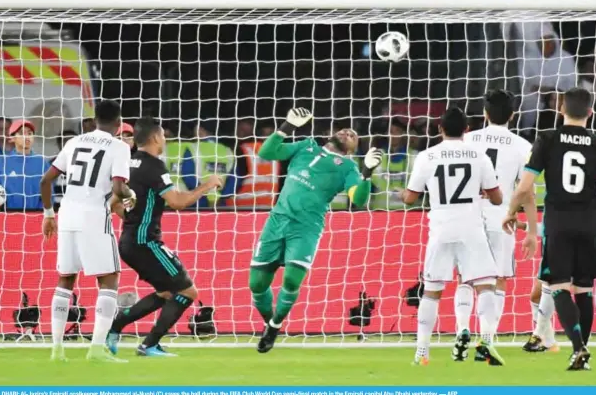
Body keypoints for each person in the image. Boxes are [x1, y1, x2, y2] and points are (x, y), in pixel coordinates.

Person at [503, 87, 596, 371]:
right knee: (584, 289)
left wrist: (511, 213)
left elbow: (524, 187)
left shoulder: (547, 139)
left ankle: (578, 347)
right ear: (591, 113)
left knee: (558, 287)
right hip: (588, 222)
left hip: (558, 223)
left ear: (561, 109)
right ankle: (583, 350)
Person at [250, 108, 382, 353]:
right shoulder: (306, 146)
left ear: (353, 149)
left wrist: (366, 173)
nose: (347, 132)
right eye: (344, 130)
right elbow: (267, 152)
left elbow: (359, 200)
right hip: (277, 220)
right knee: (256, 283)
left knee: (291, 278)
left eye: (353, 135)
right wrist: (287, 125)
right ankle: (270, 323)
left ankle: (276, 324)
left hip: (306, 228)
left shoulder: (348, 169)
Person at [105, 117, 223, 357]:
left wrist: (131, 220)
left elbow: (113, 202)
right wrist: (207, 185)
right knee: (187, 292)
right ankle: (149, 345)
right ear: (156, 137)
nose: (165, 140)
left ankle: (115, 328)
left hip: (129, 241)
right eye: (164, 136)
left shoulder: (129, 164)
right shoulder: (154, 166)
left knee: (167, 293)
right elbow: (177, 202)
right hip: (146, 242)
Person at [401, 107, 507, 366]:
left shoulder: (427, 156)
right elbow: (497, 198)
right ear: (467, 130)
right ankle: (486, 341)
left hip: (440, 227)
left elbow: (409, 198)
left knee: (432, 291)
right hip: (471, 228)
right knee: (485, 285)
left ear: (440, 129)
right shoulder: (479, 155)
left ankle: (422, 353)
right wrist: (480, 191)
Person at [39, 100, 134, 363]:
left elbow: (46, 181)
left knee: (66, 278)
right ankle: (95, 350)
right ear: (118, 123)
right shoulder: (119, 147)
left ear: (94, 120)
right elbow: (118, 189)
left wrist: (49, 215)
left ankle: (57, 351)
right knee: (109, 279)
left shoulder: (74, 142)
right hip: (94, 216)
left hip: (67, 214)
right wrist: (131, 195)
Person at [452, 90, 538, 361]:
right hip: (503, 218)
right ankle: (486, 341)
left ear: (485, 114)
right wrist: (531, 227)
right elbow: (526, 191)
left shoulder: (467, 139)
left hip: (468, 215)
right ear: (513, 115)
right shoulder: (524, 146)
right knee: (498, 279)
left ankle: (462, 329)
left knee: (467, 277)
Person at [0, 120, 51, 210]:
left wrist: (42, 214)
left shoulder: (42, 163)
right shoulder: (1, 163)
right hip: (9, 218)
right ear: (12, 138)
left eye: (29, 133)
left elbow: (49, 194)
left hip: (36, 217)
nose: (26, 137)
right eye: (21, 133)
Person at [165, 122, 236, 208]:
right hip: (219, 204)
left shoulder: (192, 148)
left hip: (190, 201)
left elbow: (187, 175)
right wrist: (221, 198)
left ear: (200, 130)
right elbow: (234, 180)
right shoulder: (228, 151)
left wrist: (201, 196)